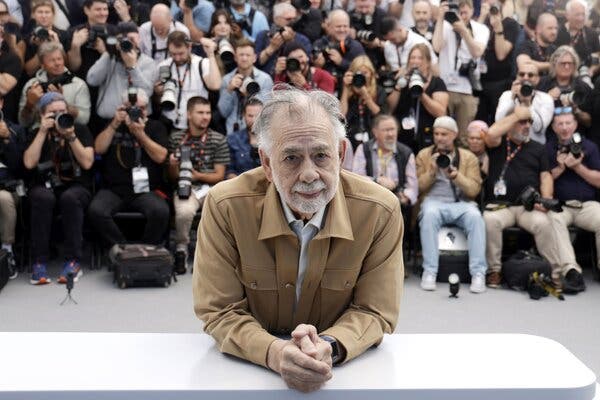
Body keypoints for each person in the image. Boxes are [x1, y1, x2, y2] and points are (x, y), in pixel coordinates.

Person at [193, 87, 403, 392]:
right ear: (266, 162)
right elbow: (219, 310)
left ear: (341, 154)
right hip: (247, 377)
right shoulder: (225, 206)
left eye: (321, 155)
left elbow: (375, 311)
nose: (308, 174)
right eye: (291, 157)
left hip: (340, 380)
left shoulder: (379, 211)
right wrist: (274, 352)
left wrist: (330, 346)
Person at [482, 105, 561, 287]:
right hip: (502, 206)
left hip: (529, 206)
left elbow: (546, 175)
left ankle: (554, 272)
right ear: (510, 124)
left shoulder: (538, 148)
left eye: (529, 122)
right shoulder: (498, 143)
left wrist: (546, 200)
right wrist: (516, 115)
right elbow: (491, 134)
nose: (527, 126)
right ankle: (494, 270)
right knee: (489, 220)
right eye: (522, 122)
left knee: (543, 223)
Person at [22, 92, 94, 285]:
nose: (59, 115)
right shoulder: (35, 133)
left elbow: (87, 163)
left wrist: (71, 137)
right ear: (42, 115)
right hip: (44, 186)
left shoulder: (80, 130)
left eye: (63, 111)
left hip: (76, 187)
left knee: (70, 198)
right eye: (53, 113)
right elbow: (29, 163)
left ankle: (73, 260)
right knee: (42, 198)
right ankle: (39, 262)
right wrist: (42, 132)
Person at [88, 89, 170, 247]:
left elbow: (161, 156)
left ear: (146, 109)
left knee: (160, 211)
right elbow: (98, 149)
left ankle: (147, 249)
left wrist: (141, 135)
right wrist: (114, 124)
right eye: (129, 108)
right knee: (96, 210)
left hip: (146, 191)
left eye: (139, 108)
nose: (134, 112)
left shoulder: (155, 127)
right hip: (114, 189)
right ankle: (122, 249)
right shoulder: (114, 125)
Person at [415, 116, 486, 293]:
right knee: (429, 214)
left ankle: (478, 273)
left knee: (476, 217)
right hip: (433, 202)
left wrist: (455, 176)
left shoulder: (468, 157)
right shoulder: (424, 155)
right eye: (436, 133)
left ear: (454, 135)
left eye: (444, 134)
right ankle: (430, 271)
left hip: (461, 203)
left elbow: (473, 190)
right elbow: (417, 187)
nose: (439, 138)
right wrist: (432, 171)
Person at [169, 96, 229, 274]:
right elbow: (171, 177)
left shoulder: (218, 139)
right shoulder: (177, 138)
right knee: (184, 211)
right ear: (189, 114)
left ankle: (209, 254)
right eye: (200, 112)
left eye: (208, 113)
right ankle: (181, 249)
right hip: (186, 188)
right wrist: (173, 166)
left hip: (213, 188)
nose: (205, 117)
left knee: (223, 208)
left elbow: (219, 175)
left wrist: (197, 175)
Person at [546, 107, 600, 293]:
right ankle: (571, 272)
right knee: (553, 220)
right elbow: (543, 180)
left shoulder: (589, 147)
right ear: (553, 127)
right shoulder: (548, 148)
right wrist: (560, 167)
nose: (564, 127)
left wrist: (578, 167)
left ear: (576, 125)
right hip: (561, 205)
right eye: (560, 124)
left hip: (587, 205)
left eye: (568, 123)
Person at [352, 114, 417, 241]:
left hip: (396, 200)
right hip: (370, 197)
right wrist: (377, 180)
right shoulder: (364, 149)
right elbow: (356, 179)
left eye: (393, 129)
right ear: (375, 132)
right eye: (386, 130)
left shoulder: (406, 152)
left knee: (393, 213)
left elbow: (413, 187)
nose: (390, 134)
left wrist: (406, 197)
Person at [432, 0, 489, 142]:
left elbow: (477, 52)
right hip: (445, 88)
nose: (462, 14)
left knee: (464, 138)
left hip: (467, 89)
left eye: (465, 10)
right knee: (442, 133)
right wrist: (440, 19)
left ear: (471, 10)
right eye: (459, 10)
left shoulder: (481, 29)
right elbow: (437, 47)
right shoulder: (444, 26)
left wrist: (463, 30)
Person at [86, 21, 157, 122]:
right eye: (122, 39)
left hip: (138, 120)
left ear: (139, 39)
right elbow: (92, 80)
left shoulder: (148, 63)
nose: (128, 42)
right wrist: (109, 52)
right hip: (108, 121)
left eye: (132, 39)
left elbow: (147, 92)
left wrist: (132, 67)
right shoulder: (109, 59)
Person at [155, 31, 221, 136]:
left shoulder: (201, 63)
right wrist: (158, 93)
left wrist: (211, 55)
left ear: (189, 47)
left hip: (197, 125)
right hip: (170, 124)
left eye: (181, 53)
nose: (177, 58)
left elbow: (215, 85)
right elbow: (157, 100)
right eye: (173, 54)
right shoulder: (163, 66)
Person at [387, 43, 448, 153]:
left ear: (428, 62)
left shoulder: (437, 83)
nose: (416, 61)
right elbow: (389, 109)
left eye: (420, 58)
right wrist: (399, 86)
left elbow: (441, 113)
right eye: (413, 57)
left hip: (427, 137)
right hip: (402, 138)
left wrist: (421, 93)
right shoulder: (402, 81)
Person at [19, 42, 91, 128]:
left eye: (59, 59)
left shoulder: (78, 84)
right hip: (39, 131)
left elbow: (84, 120)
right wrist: (29, 104)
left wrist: (62, 102)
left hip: (68, 130)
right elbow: (23, 123)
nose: (57, 63)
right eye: (52, 60)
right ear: (42, 65)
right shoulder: (32, 85)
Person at [475, 0, 521, 125]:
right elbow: (474, 45)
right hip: (478, 82)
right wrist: (482, 17)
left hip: (499, 83)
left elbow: (501, 54)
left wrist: (498, 28)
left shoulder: (510, 24)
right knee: (479, 123)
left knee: (497, 122)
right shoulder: (481, 22)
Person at [218, 38, 273, 134]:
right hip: (232, 133)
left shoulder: (265, 79)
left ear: (254, 58)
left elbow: (266, 112)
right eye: (241, 55)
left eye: (248, 55)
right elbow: (223, 112)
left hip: (257, 133)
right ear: (235, 57)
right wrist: (229, 90)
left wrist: (250, 96)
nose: (244, 58)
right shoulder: (227, 79)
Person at [495, 61, 554, 144]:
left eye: (530, 75)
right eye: (521, 74)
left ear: (537, 79)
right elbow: (499, 122)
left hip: (535, 146)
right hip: (510, 145)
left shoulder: (545, 98)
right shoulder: (507, 95)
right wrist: (512, 99)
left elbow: (539, 128)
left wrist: (527, 103)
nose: (526, 78)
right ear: (516, 77)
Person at [536, 45, 592, 128]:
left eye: (570, 63)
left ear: (575, 65)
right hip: (548, 131)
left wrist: (576, 111)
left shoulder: (583, 87)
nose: (567, 66)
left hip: (576, 133)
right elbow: (533, 115)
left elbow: (589, 122)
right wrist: (547, 99)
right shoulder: (542, 83)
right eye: (563, 63)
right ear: (554, 64)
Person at [0, 94, 25, 280]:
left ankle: (7, 252)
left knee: (3, 198)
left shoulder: (15, 130)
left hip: (8, 187)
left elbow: (19, 166)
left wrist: (8, 139)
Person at [340, 55, 387, 150]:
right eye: (358, 73)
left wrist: (365, 95)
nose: (362, 76)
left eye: (365, 73)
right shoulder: (348, 90)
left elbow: (380, 114)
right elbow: (341, 115)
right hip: (351, 138)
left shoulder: (379, 90)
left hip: (373, 137)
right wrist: (345, 89)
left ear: (371, 73)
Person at [255, 2, 312, 76]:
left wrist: (291, 42)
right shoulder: (263, 36)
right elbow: (256, 62)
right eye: (288, 19)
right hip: (266, 79)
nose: (292, 23)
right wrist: (271, 48)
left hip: (291, 80)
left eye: (294, 19)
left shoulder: (303, 40)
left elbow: (305, 64)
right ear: (276, 19)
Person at [312, 10, 365, 84]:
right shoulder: (319, 44)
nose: (342, 30)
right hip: (323, 89)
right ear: (329, 27)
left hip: (348, 88)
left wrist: (341, 62)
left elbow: (364, 71)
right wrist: (317, 66)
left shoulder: (355, 46)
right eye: (338, 26)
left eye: (345, 26)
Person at [21, 0, 71, 78]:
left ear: (53, 15)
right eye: (40, 12)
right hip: (37, 79)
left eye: (47, 12)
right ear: (33, 15)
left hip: (62, 78)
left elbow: (69, 65)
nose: (44, 16)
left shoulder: (64, 35)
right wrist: (41, 48)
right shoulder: (28, 39)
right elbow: (29, 71)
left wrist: (57, 45)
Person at [555, 0, 600, 69]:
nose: (581, 18)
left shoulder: (592, 34)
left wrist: (591, 71)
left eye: (583, 14)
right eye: (577, 14)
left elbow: (597, 56)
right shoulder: (557, 33)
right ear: (567, 15)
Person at [226, 97, 263, 179]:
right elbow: (229, 171)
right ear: (244, 115)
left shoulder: (272, 139)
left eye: (257, 116)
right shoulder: (233, 139)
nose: (254, 120)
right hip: (240, 186)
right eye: (250, 116)